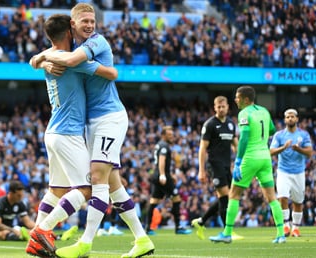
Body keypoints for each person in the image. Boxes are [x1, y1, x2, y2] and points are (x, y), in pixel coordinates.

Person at [34, 3, 154, 258]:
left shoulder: (95, 42)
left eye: (92, 20)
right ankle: (142, 239)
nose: (89, 25)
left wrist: (44, 58)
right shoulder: (70, 48)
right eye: (84, 21)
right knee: (113, 185)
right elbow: (46, 56)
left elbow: (87, 65)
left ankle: (85, 243)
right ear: (72, 25)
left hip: (109, 118)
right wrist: (41, 60)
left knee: (96, 179)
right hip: (90, 124)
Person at [25, 13, 119, 257]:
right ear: (69, 31)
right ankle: (42, 230)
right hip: (68, 133)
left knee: (56, 189)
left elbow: (35, 59)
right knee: (86, 189)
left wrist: (40, 58)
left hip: (53, 131)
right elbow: (111, 74)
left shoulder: (52, 58)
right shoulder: (69, 61)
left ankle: (35, 238)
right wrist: (42, 58)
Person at [209, 85, 285, 244]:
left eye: (237, 97)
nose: (235, 99)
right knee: (272, 197)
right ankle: (280, 234)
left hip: (250, 157)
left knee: (233, 195)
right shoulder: (264, 111)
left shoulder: (244, 113)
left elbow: (244, 137)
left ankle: (227, 233)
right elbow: (271, 129)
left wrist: (238, 161)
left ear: (245, 99)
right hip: (265, 157)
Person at [192, 96, 240, 240]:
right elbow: (202, 148)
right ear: (214, 108)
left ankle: (201, 221)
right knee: (225, 197)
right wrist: (201, 170)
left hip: (226, 166)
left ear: (227, 107)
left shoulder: (231, 124)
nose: (221, 109)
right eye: (218, 107)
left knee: (226, 198)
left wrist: (240, 162)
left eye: (223, 106)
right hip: (214, 165)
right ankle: (227, 232)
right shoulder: (210, 124)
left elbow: (236, 145)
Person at [269, 108, 312, 237]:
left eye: (292, 116)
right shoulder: (279, 135)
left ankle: (296, 228)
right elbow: (271, 152)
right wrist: (283, 147)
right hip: (283, 171)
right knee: (282, 197)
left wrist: (298, 149)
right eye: (287, 117)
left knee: (298, 202)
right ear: (285, 119)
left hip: (298, 172)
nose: (290, 119)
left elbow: (309, 153)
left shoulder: (304, 135)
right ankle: (286, 226)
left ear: (297, 119)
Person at [145, 125, 192, 235]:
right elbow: (162, 160)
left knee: (154, 201)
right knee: (176, 199)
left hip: (158, 175)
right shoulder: (165, 146)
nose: (171, 137)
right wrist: (163, 175)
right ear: (163, 135)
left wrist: (168, 175)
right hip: (162, 176)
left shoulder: (160, 145)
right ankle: (178, 227)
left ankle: (147, 228)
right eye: (169, 135)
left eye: (172, 135)